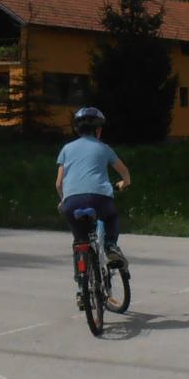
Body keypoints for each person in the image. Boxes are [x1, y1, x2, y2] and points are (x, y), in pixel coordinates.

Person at [56, 105, 131, 266]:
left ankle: (81, 269)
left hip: (72, 201)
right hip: (99, 199)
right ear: (98, 130)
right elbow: (125, 173)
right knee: (111, 216)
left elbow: (59, 183)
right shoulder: (104, 148)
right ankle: (110, 246)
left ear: (77, 130)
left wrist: (63, 200)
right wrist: (123, 183)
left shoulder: (66, 149)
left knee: (80, 239)